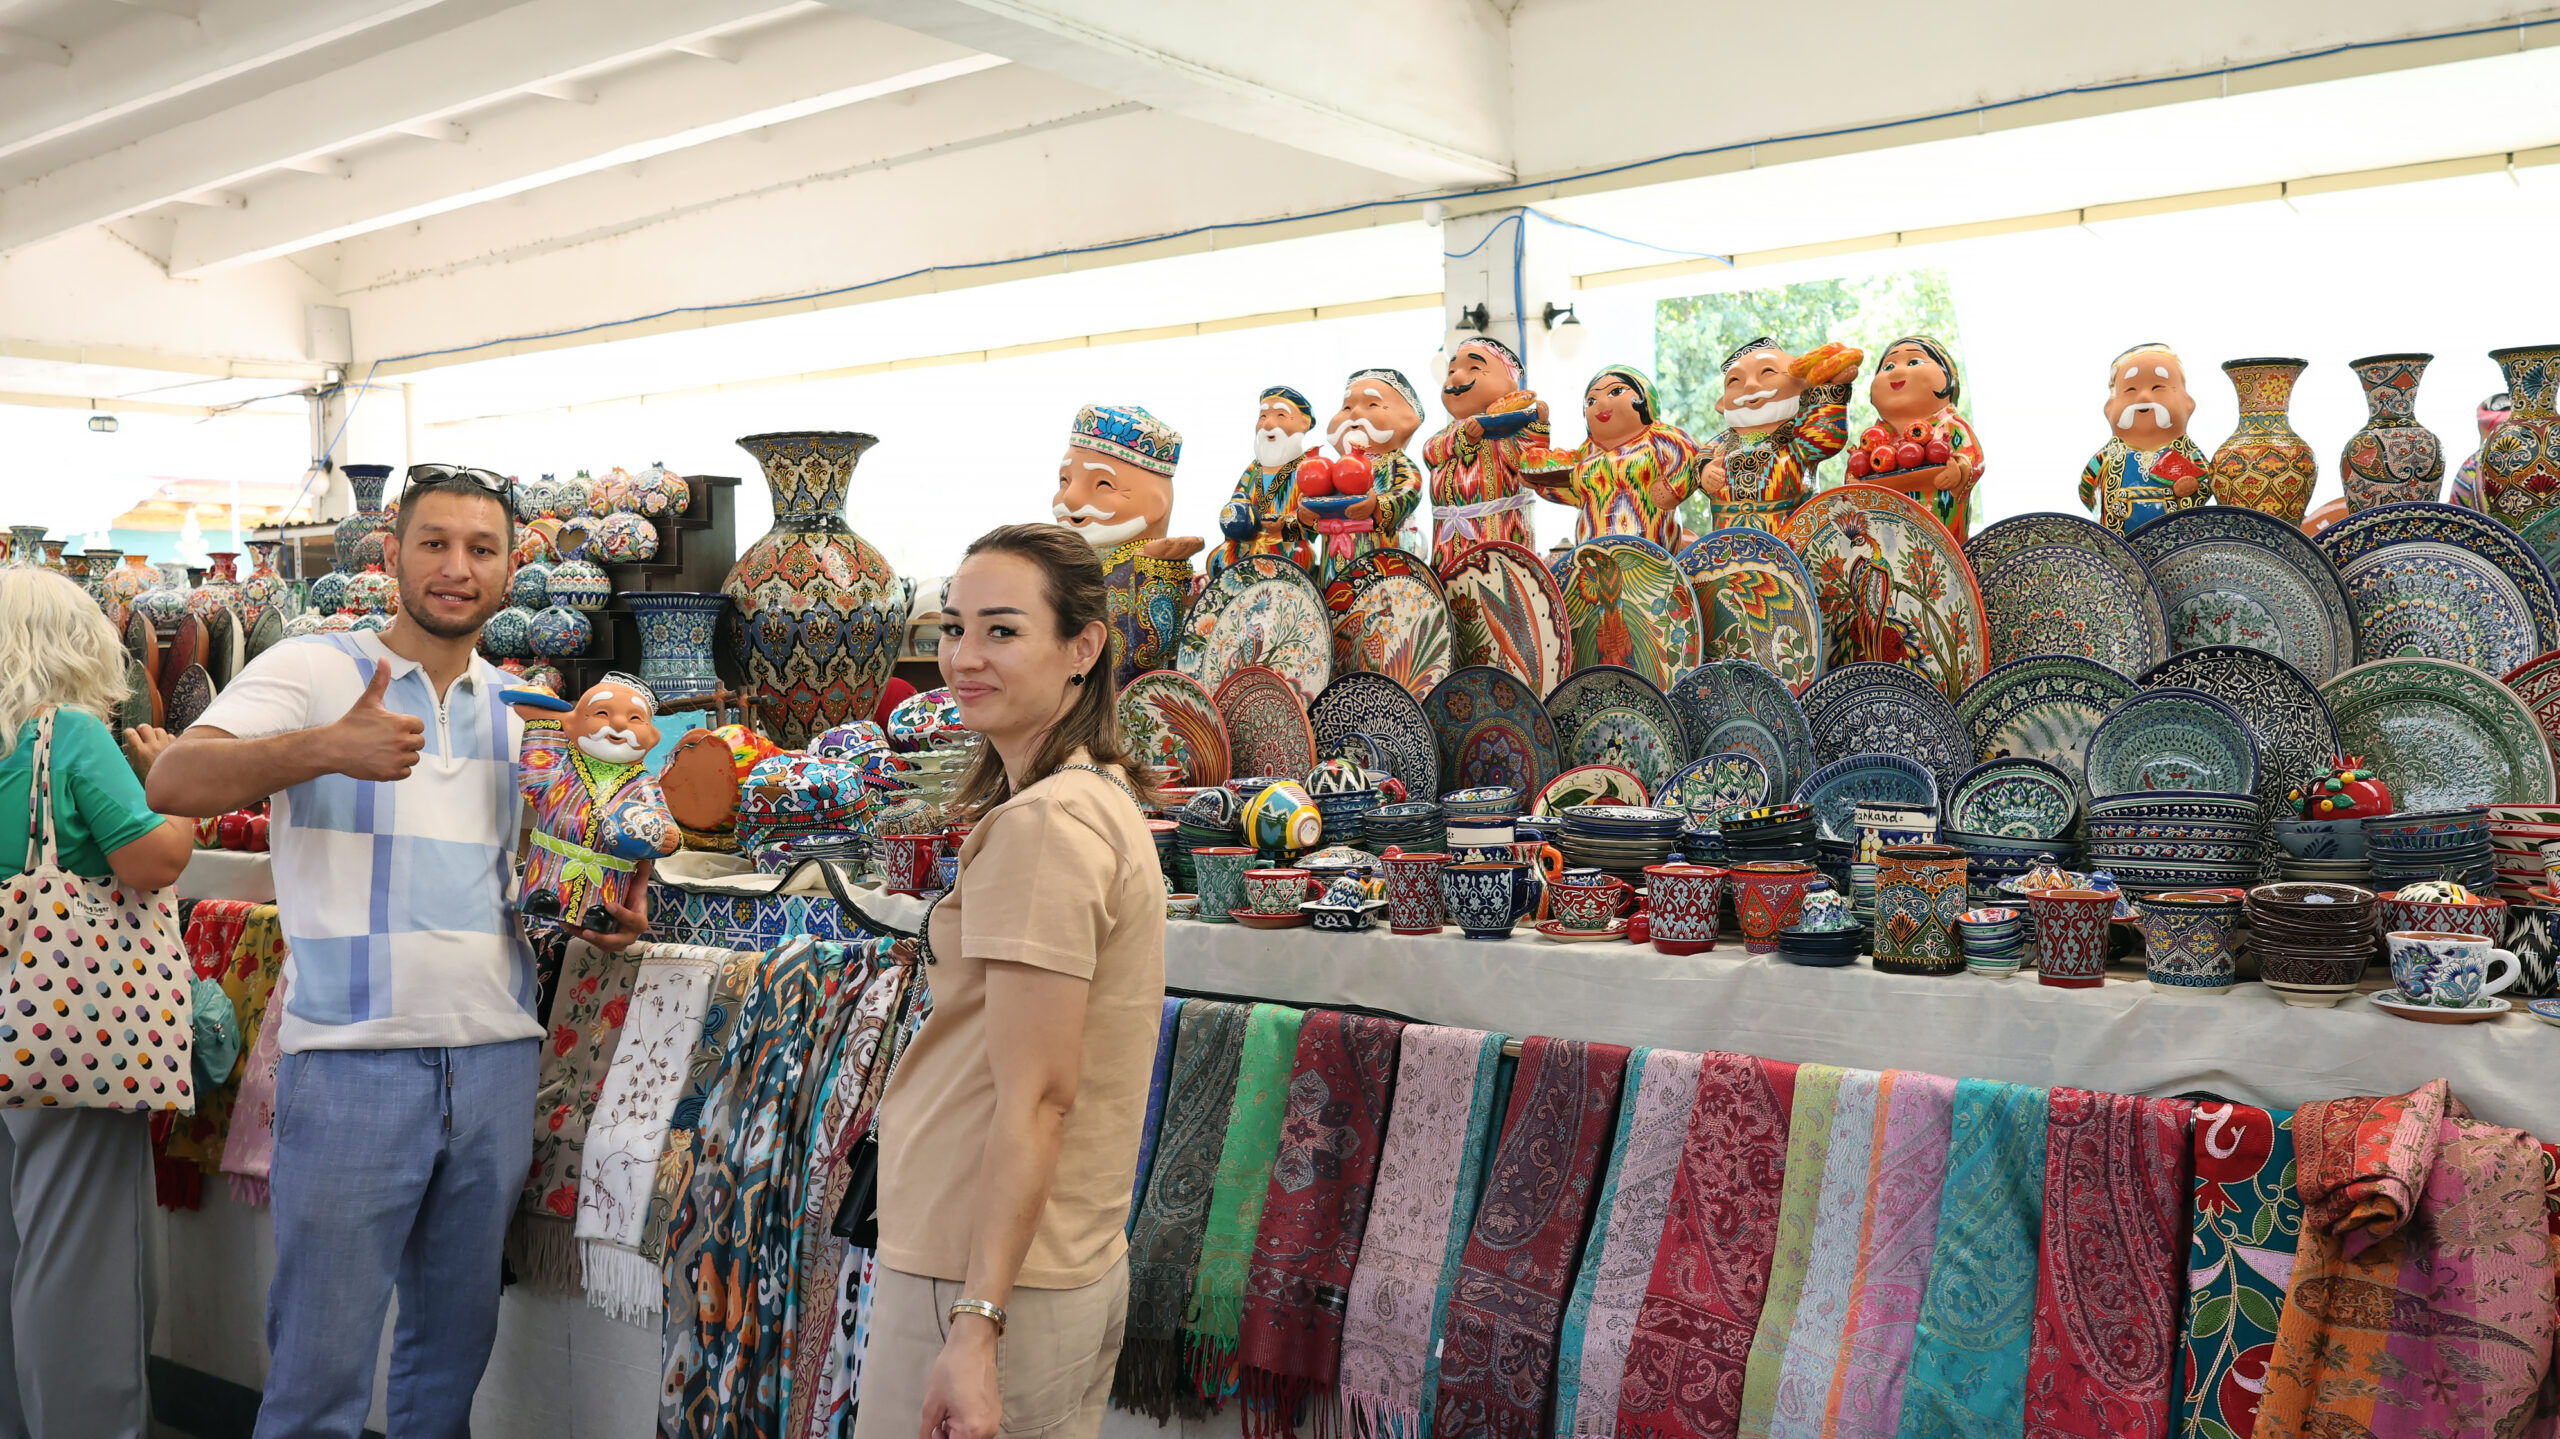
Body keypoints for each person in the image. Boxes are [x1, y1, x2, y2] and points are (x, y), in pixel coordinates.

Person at [147, 466, 648, 1439]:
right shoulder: (314, 668)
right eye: (435, 543)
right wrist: (326, 747)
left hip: (496, 1062)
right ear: (392, 555)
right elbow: (174, 776)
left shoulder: (529, 713)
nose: (457, 567)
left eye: (481, 548)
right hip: (350, 1059)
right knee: (317, 1379)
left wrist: (581, 912)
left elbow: (525, 882)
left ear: (510, 569)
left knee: (446, 1368)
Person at [855, 523, 1168, 1439]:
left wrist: (976, 1324)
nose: (963, 657)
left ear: (1083, 648)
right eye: (954, 628)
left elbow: (1038, 1099)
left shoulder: (1046, 825)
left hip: (990, 1276)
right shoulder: (1095, 795)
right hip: (1043, 1264)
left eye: (1001, 630)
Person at [0, 568, 194, 1439]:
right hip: (66, 1026)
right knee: (82, 1259)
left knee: (15, 1246)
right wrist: (172, 785)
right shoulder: (70, 736)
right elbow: (152, 861)